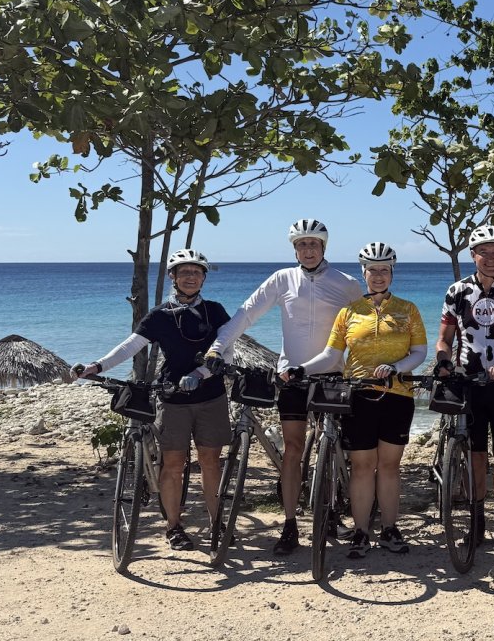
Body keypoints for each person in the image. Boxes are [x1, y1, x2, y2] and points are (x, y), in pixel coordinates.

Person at [204, 219, 363, 556]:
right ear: (295, 249)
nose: (308, 250)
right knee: (292, 450)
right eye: (302, 245)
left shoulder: (347, 284)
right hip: (291, 377)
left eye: (314, 245)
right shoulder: (282, 279)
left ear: (324, 247)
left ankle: (333, 502)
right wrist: (218, 346)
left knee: (332, 444)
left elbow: (368, 324)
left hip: (331, 376)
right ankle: (290, 525)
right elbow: (247, 313)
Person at [72, 249, 232, 551]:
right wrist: (98, 366)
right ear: (172, 276)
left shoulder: (215, 311)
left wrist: (201, 374)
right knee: (172, 463)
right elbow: (130, 346)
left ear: (204, 278)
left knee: (211, 462)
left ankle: (217, 523)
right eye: (184, 272)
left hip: (211, 395)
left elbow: (227, 350)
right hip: (171, 397)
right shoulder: (161, 315)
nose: (191, 277)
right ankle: (173, 527)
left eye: (197, 272)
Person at [284, 242, 427, 559]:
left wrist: (396, 368)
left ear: (392, 273)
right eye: (372, 270)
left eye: (384, 270)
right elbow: (331, 355)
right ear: (363, 273)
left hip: (398, 395)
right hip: (359, 396)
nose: (378, 276)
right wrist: (299, 369)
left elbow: (419, 352)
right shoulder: (349, 312)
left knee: (389, 467)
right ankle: (361, 532)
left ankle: (389, 529)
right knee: (362, 467)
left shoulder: (408, 309)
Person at [434, 224, 494, 548]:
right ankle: (476, 526)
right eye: (484, 252)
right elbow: (444, 339)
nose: (491, 258)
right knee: (475, 457)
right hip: (469, 386)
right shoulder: (456, 291)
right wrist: (443, 361)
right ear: (472, 255)